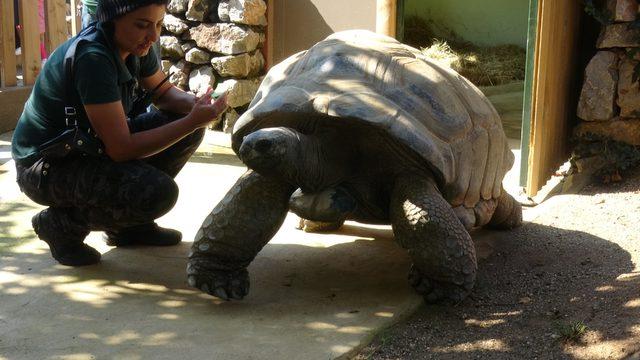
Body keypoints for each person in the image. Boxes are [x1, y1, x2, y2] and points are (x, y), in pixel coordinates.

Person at [11, 0, 228, 266]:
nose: (153, 35)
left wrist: (195, 106)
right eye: (142, 25)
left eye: (158, 24)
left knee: (185, 126)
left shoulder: (136, 46)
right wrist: (192, 122)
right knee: (158, 193)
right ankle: (61, 226)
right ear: (111, 20)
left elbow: (163, 94)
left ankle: (129, 227)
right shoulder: (93, 58)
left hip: (89, 145)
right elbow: (121, 149)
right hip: (46, 167)